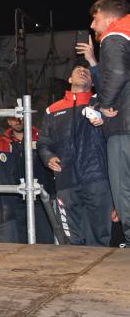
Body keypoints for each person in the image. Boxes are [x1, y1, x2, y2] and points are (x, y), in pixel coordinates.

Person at [38, 64, 112, 246]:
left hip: (97, 178)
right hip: (66, 180)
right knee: (71, 238)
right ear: (69, 80)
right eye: (78, 70)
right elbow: (43, 142)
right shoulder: (52, 110)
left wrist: (104, 121)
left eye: (86, 72)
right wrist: (48, 158)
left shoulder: (101, 104)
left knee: (100, 236)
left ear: (93, 81)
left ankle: (99, 274)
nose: (82, 72)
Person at [89, 0, 130, 245]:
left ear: (110, 18)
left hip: (124, 128)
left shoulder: (115, 35)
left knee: (123, 190)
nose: (93, 26)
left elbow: (116, 73)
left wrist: (103, 105)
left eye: (95, 18)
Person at [4, 116, 55, 243]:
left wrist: (52, 193)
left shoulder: (41, 137)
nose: (19, 121)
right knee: (19, 243)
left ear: (28, 118)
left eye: (21, 118)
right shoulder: (3, 142)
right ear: (9, 121)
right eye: (14, 119)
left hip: (40, 199)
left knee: (45, 242)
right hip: (16, 201)